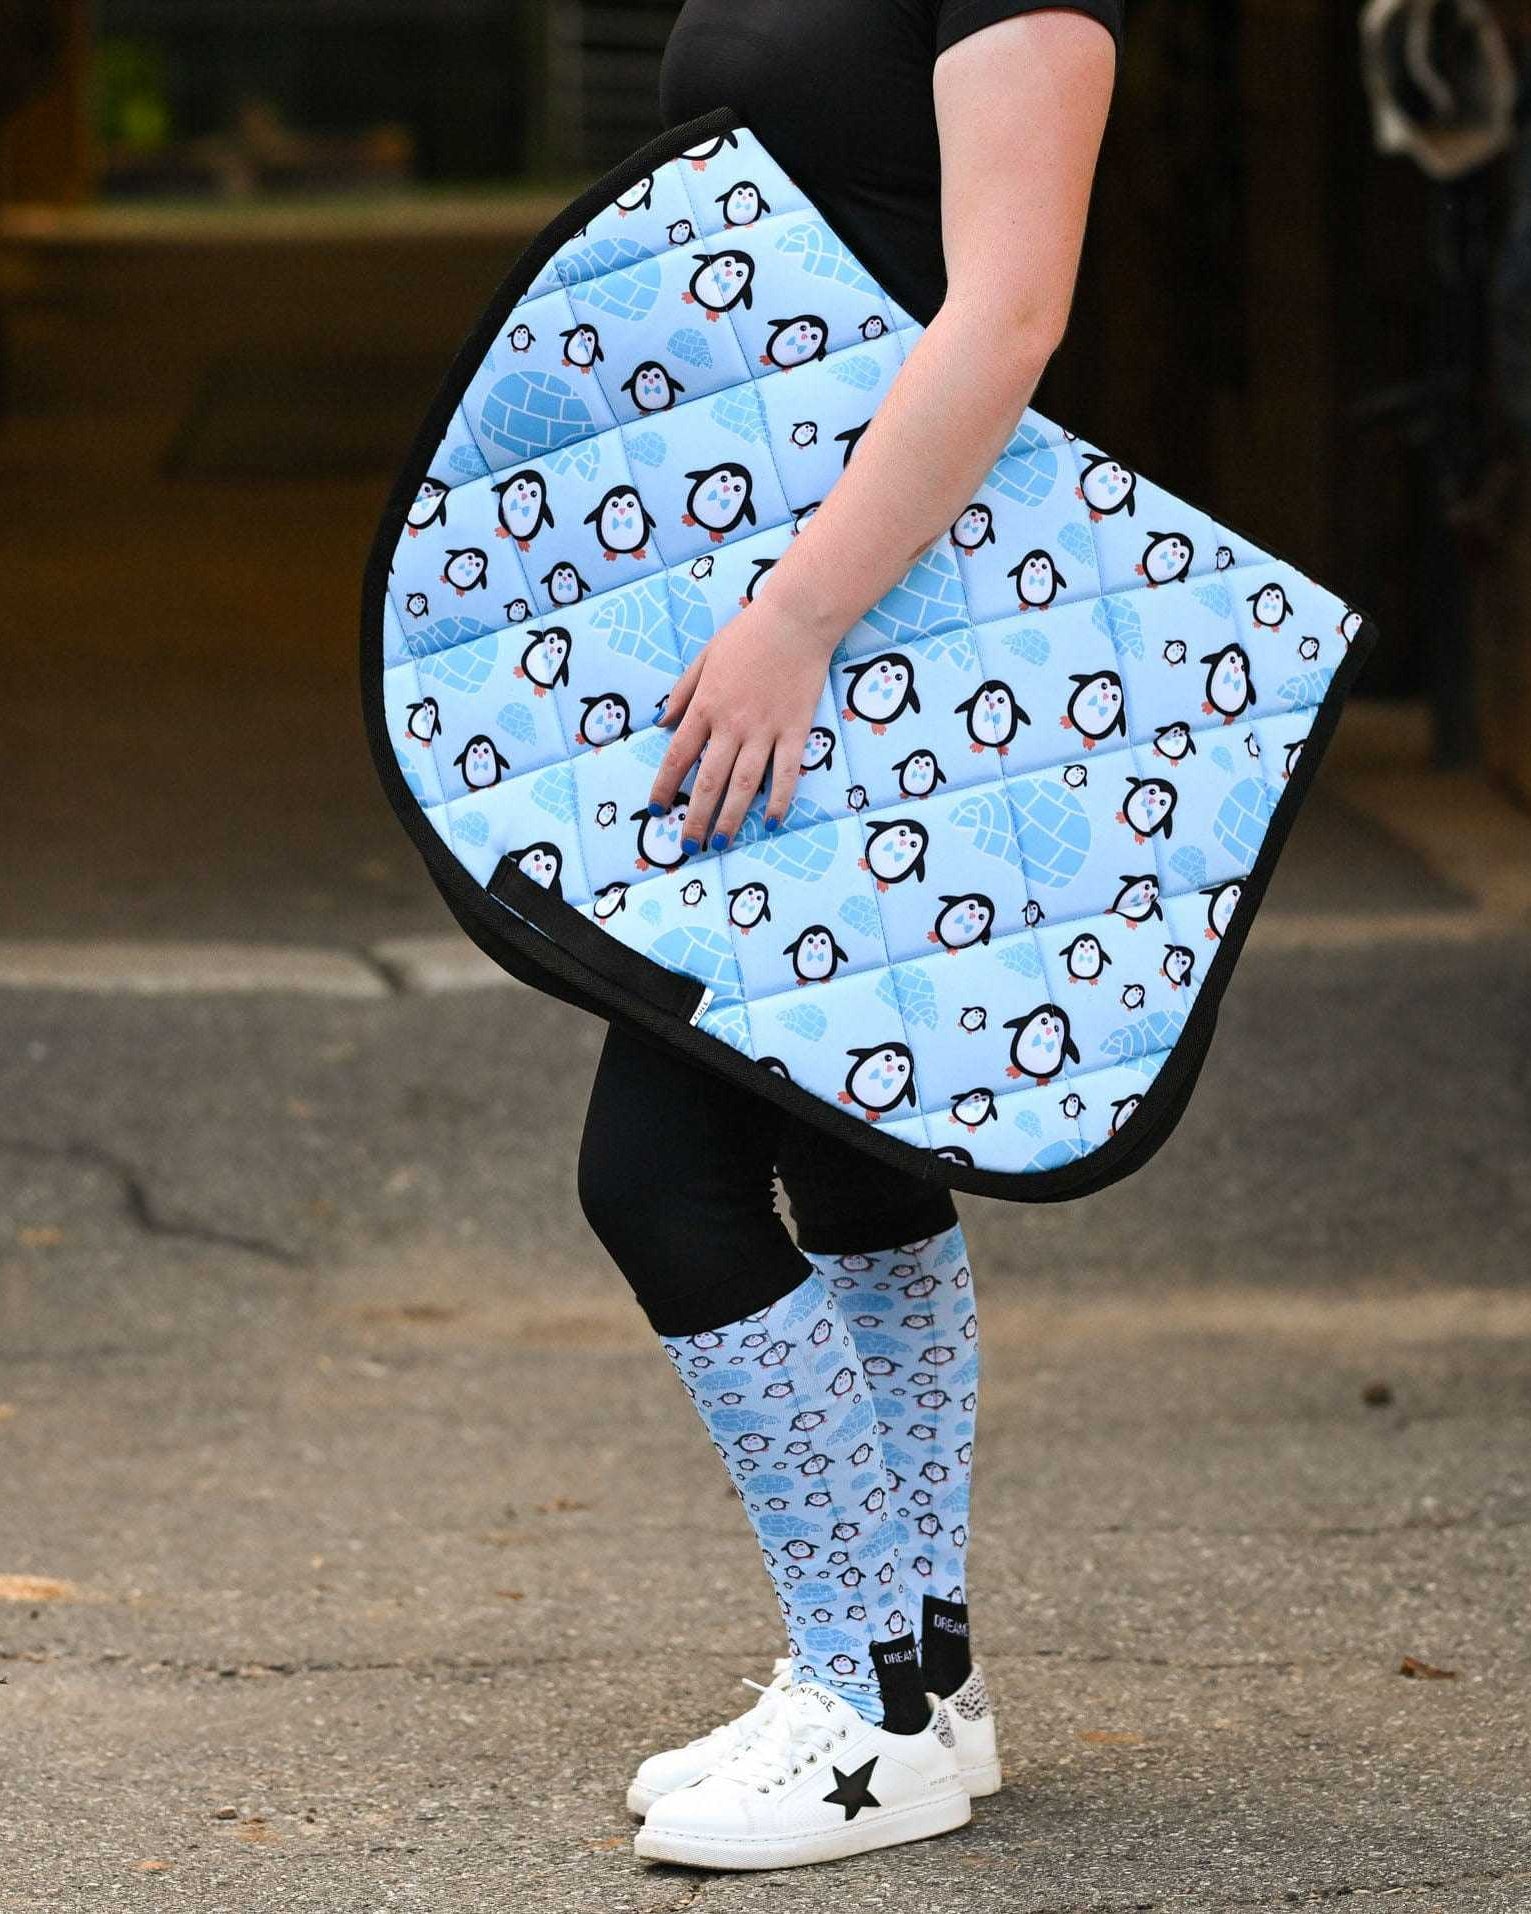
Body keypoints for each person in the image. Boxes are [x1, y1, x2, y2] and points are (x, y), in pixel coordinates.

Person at [574, 0, 1123, 1870]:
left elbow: (1010, 311)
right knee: (848, 1149)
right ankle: (924, 1684)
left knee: (657, 1174)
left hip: (881, 635)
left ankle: (863, 1697)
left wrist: (802, 613)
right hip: (807, 631)